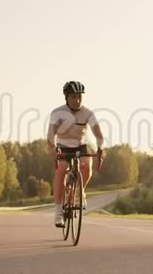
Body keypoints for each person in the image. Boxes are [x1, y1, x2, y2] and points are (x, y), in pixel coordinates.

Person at [47, 81, 105, 228]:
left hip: (81, 144)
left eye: (79, 97)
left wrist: (101, 148)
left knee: (86, 165)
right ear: (67, 97)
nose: (77, 100)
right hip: (63, 145)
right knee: (62, 170)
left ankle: (81, 192)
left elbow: (98, 135)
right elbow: (51, 134)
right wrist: (52, 148)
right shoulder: (57, 112)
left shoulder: (88, 113)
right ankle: (59, 212)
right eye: (73, 97)